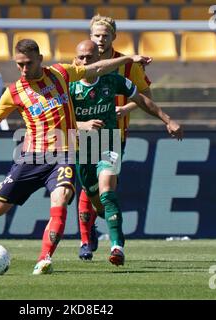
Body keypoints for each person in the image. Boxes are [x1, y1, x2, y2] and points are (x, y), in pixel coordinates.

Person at [0, 39, 150, 275]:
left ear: (40, 59)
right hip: (32, 157)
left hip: (63, 154)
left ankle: (44, 259)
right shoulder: (14, 92)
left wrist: (127, 59)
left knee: (61, 197)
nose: (24, 69)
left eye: (28, 63)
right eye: (19, 64)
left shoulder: (60, 74)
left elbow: (97, 68)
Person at [71, 40, 183, 265]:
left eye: (90, 58)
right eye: (81, 58)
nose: (85, 62)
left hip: (108, 141)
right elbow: (57, 122)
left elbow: (142, 99)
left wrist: (167, 120)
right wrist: (81, 126)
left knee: (107, 190)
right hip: (82, 147)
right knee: (98, 203)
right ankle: (99, 225)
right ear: (75, 61)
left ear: (98, 61)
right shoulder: (68, 87)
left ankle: (117, 246)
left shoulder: (113, 80)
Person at [76, 14, 158, 257]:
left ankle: (106, 239)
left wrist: (126, 109)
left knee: (105, 185)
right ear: (90, 37)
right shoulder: (80, 62)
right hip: (83, 132)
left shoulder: (128, 64)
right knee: (87, 186)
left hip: (114, 133)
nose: (100, 40)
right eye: (96, 35)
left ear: (114, 37)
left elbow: (146, 97)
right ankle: (86, 237)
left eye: (105, 35)